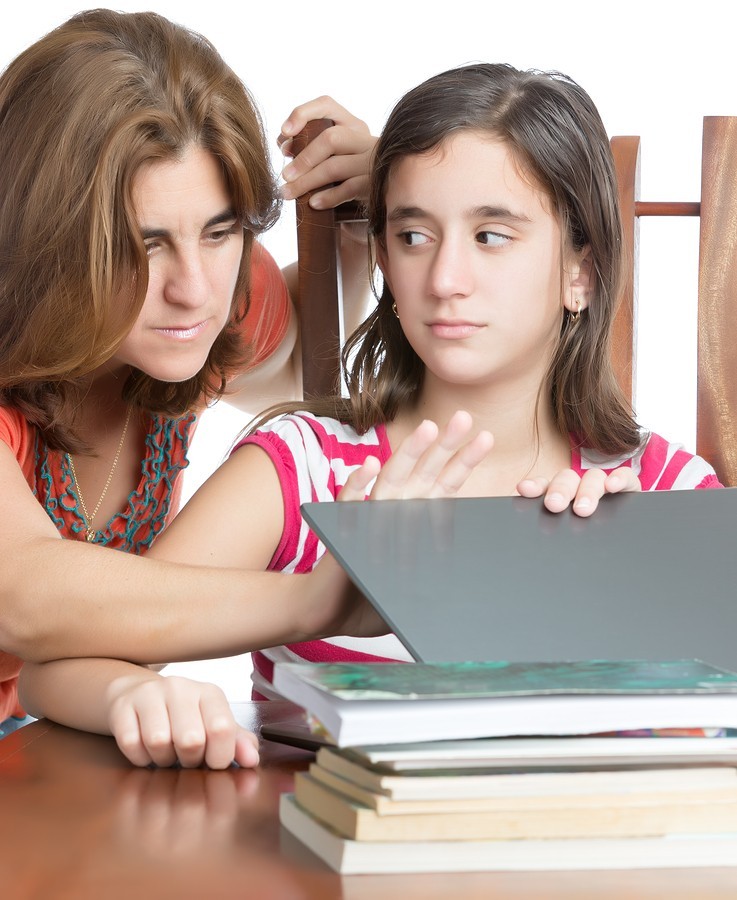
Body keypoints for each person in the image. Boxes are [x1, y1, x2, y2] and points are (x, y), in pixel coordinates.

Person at [22, 62, 719, 768]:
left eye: (490, 236)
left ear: (582, 272)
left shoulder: (665, 493)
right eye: (414, 236)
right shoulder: (300, 469)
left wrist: (643, 576)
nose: (444, 281)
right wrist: (127, 693)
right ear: (383, 253)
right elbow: (56, 667)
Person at [0, 7, 387, 758]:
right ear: (45, 244)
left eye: (220, 230)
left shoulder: (207, 301)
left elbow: (294, 353)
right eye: (142, 245)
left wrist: (377, 204)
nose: (195, 292)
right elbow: (22, 593)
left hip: (45, 753)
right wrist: (318, 600)